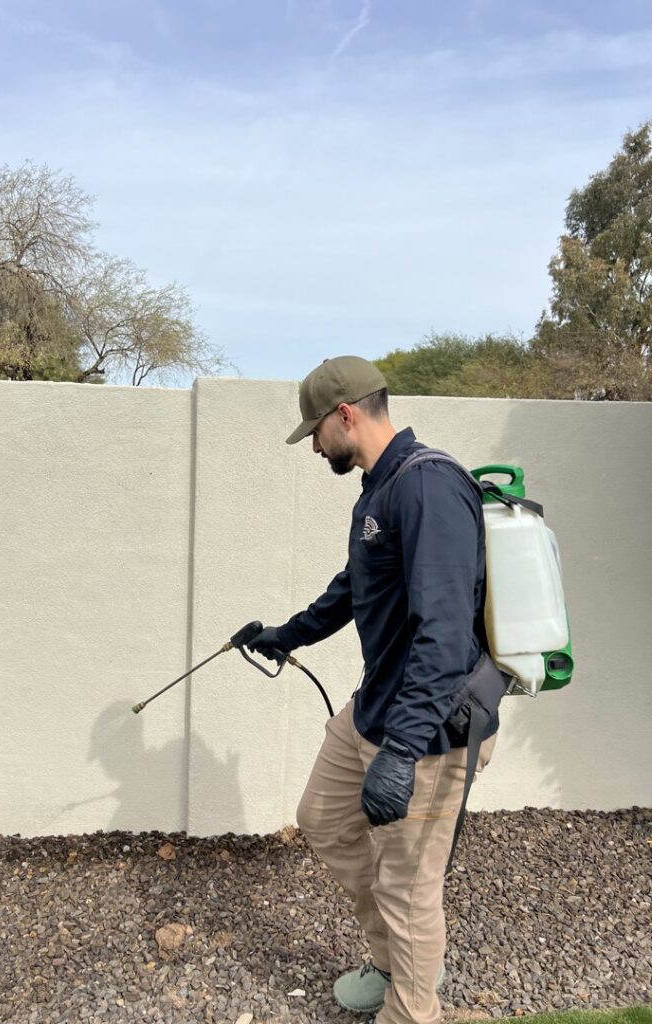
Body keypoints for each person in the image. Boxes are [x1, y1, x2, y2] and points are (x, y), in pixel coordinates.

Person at [248, 355, 499, 1024]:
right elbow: (354, 586)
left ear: (345, 415)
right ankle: (392, 962)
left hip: (429, 731)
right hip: (375, 710)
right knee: (323, 820)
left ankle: (411, 1008)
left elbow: (444, 634)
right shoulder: (380, 488)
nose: (315, 448)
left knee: (408, 888)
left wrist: (402, 750)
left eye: (316, 433)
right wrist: (285, 635)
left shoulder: (428, 488)